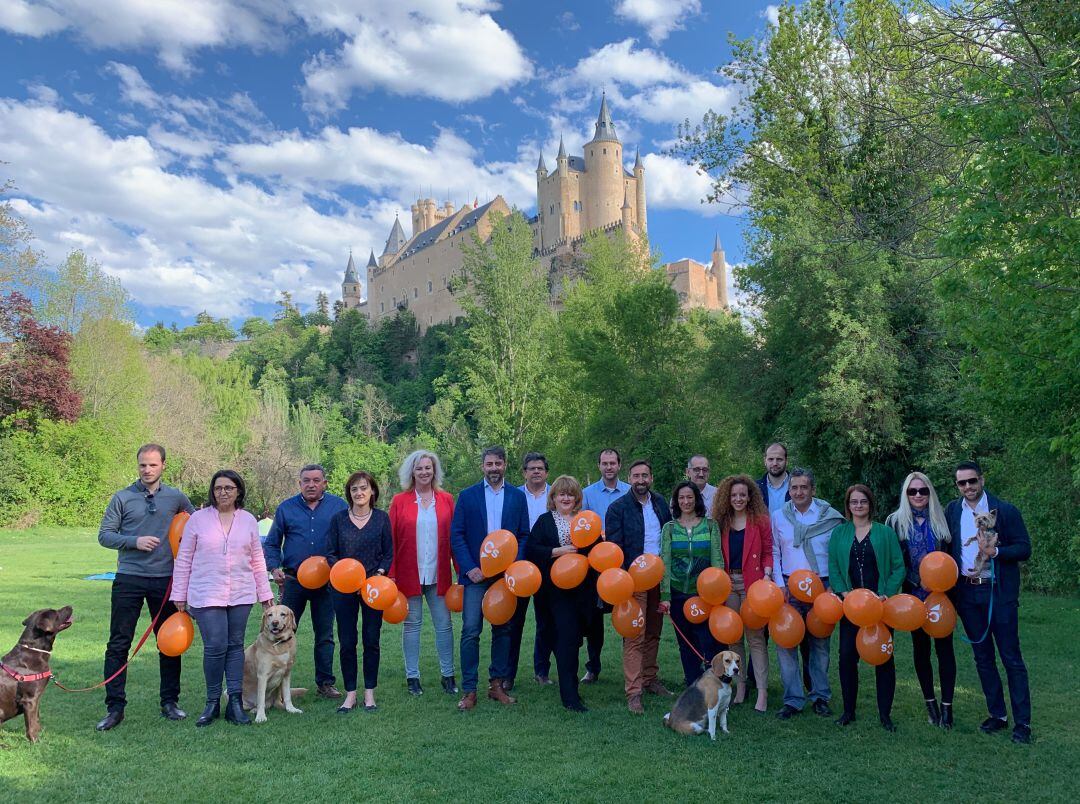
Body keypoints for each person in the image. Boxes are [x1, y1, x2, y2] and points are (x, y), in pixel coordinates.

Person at [95, 444, 195, 732]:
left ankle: (169, 702)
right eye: (142, 465)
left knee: (169, 643)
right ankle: (115, 708)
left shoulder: (176, 497)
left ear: (163, 465)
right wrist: (133, 541)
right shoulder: (122, 498)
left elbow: (197, 524)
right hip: (129, 577)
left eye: (152, 465)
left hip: (165, 580)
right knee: (118, 644)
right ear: (137, 466)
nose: (147, 470)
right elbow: (105, 536)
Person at [171, 470, 274, 727]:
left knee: (236, 646)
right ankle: (212, 703)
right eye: (218, 488)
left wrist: (265, 595)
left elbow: (257, 560)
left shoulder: (248, 520)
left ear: (238, 490)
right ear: (212, 491)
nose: (223, 492)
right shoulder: (197, 520)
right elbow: (184, 558)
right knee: (215, 647)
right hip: (206, 593)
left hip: (241, 592)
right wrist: (179, 594)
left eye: (229, 487)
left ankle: (235, 704)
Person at [945, 460, 1032, 744]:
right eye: (962, 483)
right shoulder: (952, 511)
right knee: (982, 658)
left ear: (981, 480)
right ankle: (998, 714)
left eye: (972, 481)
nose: (968, 487)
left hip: (999, 592)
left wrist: (995, 552)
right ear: (957, 485)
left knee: (1011, 658)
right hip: (968, 593)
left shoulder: (1004, 510)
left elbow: (1024, 548)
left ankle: (1022, 723)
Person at [450, 446, 530, 710]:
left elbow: (523, 535)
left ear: (505, 465)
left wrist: (514, 565)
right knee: (471, 630)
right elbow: (457, 535)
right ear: (482, 466)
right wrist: (470, 567)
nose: (493, 468)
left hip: (504, 578)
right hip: (476, 575)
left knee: (503, 629)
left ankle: (497, 685)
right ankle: (470, 690)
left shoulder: (518, 497)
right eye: (489, 464)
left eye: (498, 463)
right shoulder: (467, 496)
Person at [262, 465, 348, 700]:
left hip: (327, 582)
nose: (311, 484)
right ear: (299, 483)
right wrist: (274, 567)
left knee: (325, 633)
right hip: (292, 580)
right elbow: (271, 543)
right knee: (280, 632)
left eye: (316, 480)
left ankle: (325, 683)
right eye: (306, 481)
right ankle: (273, 682)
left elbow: (347, 538)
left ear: (325, 483)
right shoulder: (286, 508)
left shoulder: (338, 506)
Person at [828, 484, 905, 731]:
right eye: (853, 502)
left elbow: (898, 567)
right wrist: (845, 593)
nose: (858, 506)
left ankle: (885, 714)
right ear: (848, 506)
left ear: (870, 504)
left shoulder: (885, 533)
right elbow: (834, 568)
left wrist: (886, 594)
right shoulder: (839, 534)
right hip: (851, 607)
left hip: (880, 608)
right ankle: (848, 710)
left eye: (863, 501)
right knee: (847, 658)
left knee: (884, 659)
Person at [771, 467, 844, 720]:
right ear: (789, 491)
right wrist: (779, 584)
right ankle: (792, 699)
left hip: (822, 586)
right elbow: (775, 552)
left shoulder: (830, 517)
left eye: (804, 487)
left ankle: (820, 696)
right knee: (785, 644)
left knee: (820, 644)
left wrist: (834, 586)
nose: (799, 492)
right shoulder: (778, 517)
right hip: (789, 586)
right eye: (794, 488)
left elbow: (837, 555)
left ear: (813, 489)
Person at [886, 471, 956, 729]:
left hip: (941, 596)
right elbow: (895, 561)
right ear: (905, 494)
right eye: (912, 491)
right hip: (913, 595)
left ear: (930, 493)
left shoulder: (943, 520)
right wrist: (915, 583)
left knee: (945, 650)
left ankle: (948, 708)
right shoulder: (895, 522)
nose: (918, 495)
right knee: (921, 650)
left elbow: (952, 557)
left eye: (922, 491)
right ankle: (931, 704)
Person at [606, 459, 673, 715]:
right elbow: (615, 550)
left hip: (659, 577)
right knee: (635, 635)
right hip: (633, 581)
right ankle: (634, 692)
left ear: (651, 478)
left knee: (654, 631)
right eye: (636, 476)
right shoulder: (618, 508)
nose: (641, 480)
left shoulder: (660, 503)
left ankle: (649, 678)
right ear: (629, 478)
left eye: (645, 475)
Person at [525, 475, 597, 712]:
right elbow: (532, 550)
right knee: (565, 640)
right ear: (553, 498)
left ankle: (575, 684)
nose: (566, 498)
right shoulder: (545, 521)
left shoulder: (586, 521)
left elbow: (598, 551)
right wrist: (557, 551)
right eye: (561, 494)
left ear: (577, 498)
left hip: (584, 592)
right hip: (556, 593)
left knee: (575, 639)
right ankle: (570, 697)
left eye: (570, 494)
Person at [388, 450, 456, 697]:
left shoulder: (447, 499)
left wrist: (460, 572)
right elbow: (391, 541)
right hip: (409, 574)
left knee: (444, 625)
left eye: (428, 468)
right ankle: (412, 677)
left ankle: (448, 676)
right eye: (420, 468)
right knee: (412, 625)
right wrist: (392, 575)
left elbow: (454, 538)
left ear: (434, 471)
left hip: (439, 574)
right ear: (412, 472)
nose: (424, 472)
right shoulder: (399, 501)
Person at [326, 471, 393, 713]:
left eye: (363, 487)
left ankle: (369, 694)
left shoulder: (382, 519)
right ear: (349, 493)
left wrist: (380, 573)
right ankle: (350, 694)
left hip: (373, 588)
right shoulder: (338, 520)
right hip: (343, 589)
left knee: (371, 640)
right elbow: (330, 553)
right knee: (347, 641)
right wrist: (344, 575)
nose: (359, 492)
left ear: (372, 491)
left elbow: (388, 553)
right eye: (354, 489)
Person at [712, 474, 773, 712]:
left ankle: (763, 692)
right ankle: (740, 687)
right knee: (733, 638)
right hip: (728, 583)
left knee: (756, 638)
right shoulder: (721, 521)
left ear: (750, 497)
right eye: (734, 495)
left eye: (742, 495)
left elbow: (768, 550)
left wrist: (767, 574)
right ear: (728, 497)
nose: (738, 498)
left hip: (753, 583)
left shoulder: (760, 521)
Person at [657, 481, 722, 687]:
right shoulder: (669, 528)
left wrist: (718, 593)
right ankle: (693, 684)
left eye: (690, 497)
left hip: (705, 594)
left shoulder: (710, 525)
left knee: (709, 640)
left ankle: (715, 684)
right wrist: (665, 596)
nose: (686, 501)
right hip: (678, 593)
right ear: (676, 501)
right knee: (686, 643)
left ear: (697, 499)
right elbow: (664, 562)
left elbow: (717, 559)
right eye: (681, 498)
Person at [578, 448, 629, 685]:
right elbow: (581, 528)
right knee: (594, 619)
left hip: (624, 562)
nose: (609, 467)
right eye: (604, 463)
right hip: (596, 564)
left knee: (628, 614)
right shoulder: (587, 494)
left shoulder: (629, 491)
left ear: (619, 465)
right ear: (599, 466)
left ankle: (633, 669)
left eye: (613, 463)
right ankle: (593, 667)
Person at [518, 452, 555, 686]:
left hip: (548, 564)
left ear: (546, 472)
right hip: (520, 565)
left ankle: (542, 671)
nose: (536, 472)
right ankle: (506, 675)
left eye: (540, 468)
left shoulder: (555, 495)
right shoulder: (514, 495)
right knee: (514, 622)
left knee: (546, 622)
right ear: (524, 472)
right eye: (531, 468)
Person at [757, 443, 791, 515]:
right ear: (765, 461)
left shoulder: (798, 486)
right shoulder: (755, 488)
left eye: (779, 459)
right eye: (771, 459)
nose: (775, 463)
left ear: (786, 461)